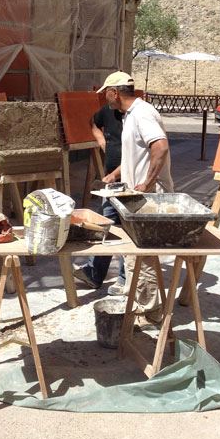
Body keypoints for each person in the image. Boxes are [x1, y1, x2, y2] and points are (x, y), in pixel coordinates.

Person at [97, 70, 174, 324]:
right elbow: (137, 153)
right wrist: (117, 174)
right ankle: (139, 304)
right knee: (133, 256)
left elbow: (160, 147)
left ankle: (150, 313)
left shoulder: (142, 113)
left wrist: (147, 184)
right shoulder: (131, 115)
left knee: (145, 258)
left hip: (149, 198)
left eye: (106, 95)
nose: (106, 100)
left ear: (114, 93)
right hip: (136, 197)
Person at [72, 103, 126, 291]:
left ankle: (125, 278)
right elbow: (93, 123)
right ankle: (93, 273)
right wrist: (104, 144)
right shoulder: (108, 110)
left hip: (131, 181)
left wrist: (116, 174)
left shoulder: (136, 116)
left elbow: (137, 156)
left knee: (127, 229)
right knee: (106, 223)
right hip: (112, 181)